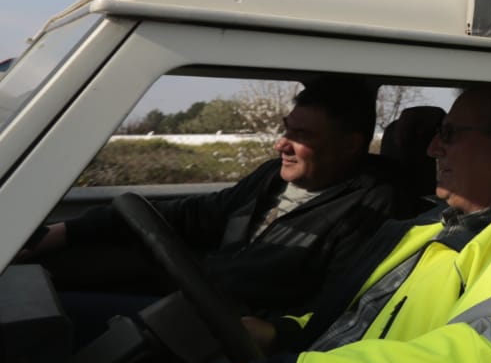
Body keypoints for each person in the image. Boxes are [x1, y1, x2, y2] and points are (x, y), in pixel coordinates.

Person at [156, 83, 491, 363]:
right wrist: (282, 333)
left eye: (449, 134)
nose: (432, 149)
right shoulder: (431, 223)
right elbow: (360, 318)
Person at [29, 76, 414, 326]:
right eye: (286, 130)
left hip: (219, 325)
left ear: (349, 144)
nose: (281, 144)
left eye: (302, 135)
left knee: (51, 318)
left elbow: (333, 309)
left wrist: (260, 326)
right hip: (188, 290)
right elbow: (197, 213)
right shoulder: (271, 176)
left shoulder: (372, 209)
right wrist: (69, 230)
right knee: (45, 282)